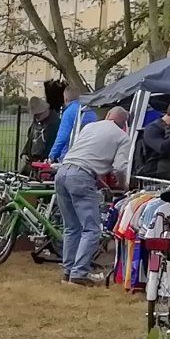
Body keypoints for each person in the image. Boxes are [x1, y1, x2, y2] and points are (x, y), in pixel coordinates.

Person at [53, 101, 130, 284]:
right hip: (82, 177)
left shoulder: (90, 127)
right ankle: (79, 273)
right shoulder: (122, 137)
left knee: (71, 227)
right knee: (91, 229)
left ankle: (68, 271)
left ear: (108, 116)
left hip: (62, 172)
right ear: (124, 123)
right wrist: (122, 185)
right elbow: (120, 167)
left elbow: (85, 156)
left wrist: (98, 180)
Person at [47, 78, 95, 162]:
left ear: (65, 99)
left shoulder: (69, 112)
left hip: (71, 156)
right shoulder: (90, 111)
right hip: (89, 156)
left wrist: (52, 156)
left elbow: (62, 137)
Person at [24, 80, 65, 172]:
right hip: (33, 162)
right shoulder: (35, 123)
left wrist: (46, 159)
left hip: (47, 163)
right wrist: (25, 152)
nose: (36, 118)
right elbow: (30, 138)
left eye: (38, 115)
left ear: (45, 111)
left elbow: (55, 143)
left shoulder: (55, 124)